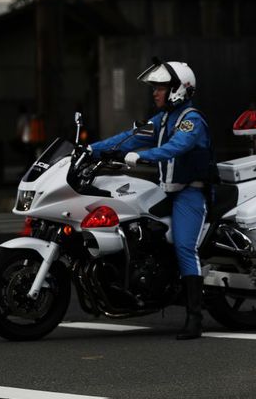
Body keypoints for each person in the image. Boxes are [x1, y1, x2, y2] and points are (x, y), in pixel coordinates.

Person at [89, 60, 212, 340]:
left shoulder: (191, 120)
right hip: (166, 189)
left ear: (178, 90)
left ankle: (195, 317)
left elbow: (177, 146)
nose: (155, 93)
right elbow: (128, 138)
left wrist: (143, 156)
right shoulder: (163, 119)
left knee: (184, 245)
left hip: (189, 193)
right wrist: (89, 150)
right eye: (154, 88)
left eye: (160, 88)